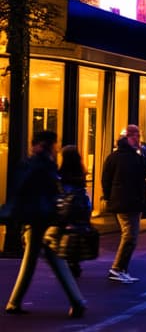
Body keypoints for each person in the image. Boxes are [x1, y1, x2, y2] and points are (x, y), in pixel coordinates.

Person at [4, 131, 87, 318]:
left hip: (34, 218)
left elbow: (19, 191)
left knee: (36, 259)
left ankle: (15, 302)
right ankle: (76, 301)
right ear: (48, 145)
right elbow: (50, 191)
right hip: (42, 217)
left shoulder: (29, 164)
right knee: (49, 258)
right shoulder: (45, 165)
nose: (56, 148)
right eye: (54, 144)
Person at [101, 124, 146, 283]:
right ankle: (117, 268)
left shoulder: (117, 156)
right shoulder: (131, 157)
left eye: (138, 136)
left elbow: (106, 179)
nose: (137, 139)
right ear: (126, 137)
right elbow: (143, 175)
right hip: (128, 201)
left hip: (126, 200)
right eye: (134, 135)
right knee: (129, 236)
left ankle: (121, 269)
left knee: (130, 236)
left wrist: (109, 197)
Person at [56, 146, 92, 279]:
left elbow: (61, 195)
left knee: (64, 238)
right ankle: (74, 263)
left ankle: (67, 263)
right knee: (76, 237)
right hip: (79, 212)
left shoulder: (61, 176)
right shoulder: (80, 175)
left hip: (67, 212)